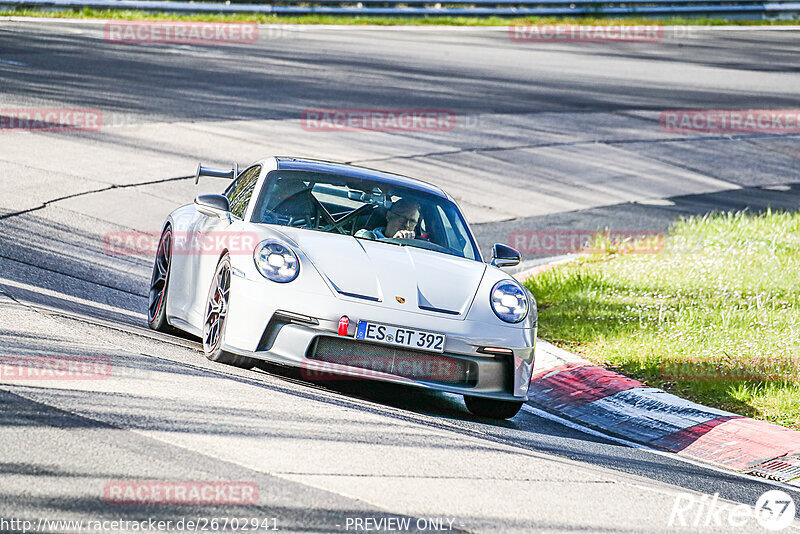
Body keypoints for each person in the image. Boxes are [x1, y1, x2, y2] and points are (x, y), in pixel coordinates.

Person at [356, 199, 420, 240]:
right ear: (389, 216)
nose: (407, 225)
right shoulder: (365, 235)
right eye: (402, 218)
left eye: (412, 221)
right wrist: (394, 242)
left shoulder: (421, 248)